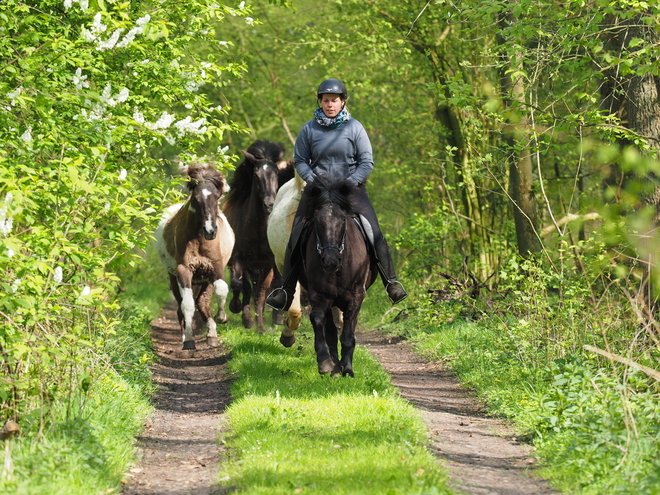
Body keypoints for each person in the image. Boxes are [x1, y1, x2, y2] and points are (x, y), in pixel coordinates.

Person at [265, 78, 408, 311]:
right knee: (297, 233)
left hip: (350, 191)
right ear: (320, 102)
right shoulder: (309, 129)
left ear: (342, 102)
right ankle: (285, 290)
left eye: (334, 100)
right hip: (317, 192)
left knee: (374, 231)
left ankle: (391, 282)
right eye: (325, 100)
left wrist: (349, 184)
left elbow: (366, 162)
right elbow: (301, 161)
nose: (329, 104)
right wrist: (314, 182)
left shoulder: (355, 128)